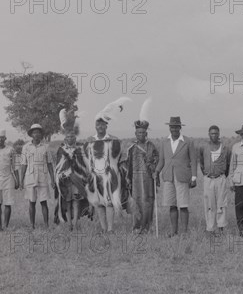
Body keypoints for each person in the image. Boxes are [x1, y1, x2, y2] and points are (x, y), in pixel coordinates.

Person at [83, 97, 130, 233]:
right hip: (95, 176)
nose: (100, 127)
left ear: (106, 126)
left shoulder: (114, 140)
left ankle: (110, 229)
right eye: (98, 125)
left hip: (109, 176)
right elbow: (87, 158)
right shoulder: (89, 141)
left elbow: (118, 156)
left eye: (103, 125)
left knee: (109, 202)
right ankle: (103, 228)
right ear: (95, 126)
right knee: (98, 203)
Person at [155, 116, 198, 237]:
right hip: (168, 177)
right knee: (172, 205)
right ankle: (174, 231)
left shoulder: (187, 141)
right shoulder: (164, 142)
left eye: (176, 126)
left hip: (182, 176)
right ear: (169, 127)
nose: (174, 129)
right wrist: (156, 171)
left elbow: (193, 160)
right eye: (171, 126)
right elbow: (161, 161)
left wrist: (194, 177)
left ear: (180, 127)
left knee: (183, 205)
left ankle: (184, 232)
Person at [126, 102, 158, 234]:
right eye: (138, 132)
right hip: (135, 179)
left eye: (143, 132)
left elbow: (157, 161)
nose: (141, 134)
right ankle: (136, 227)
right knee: (136, 203)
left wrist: (152, 166)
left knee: (148, 202)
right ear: (135, 133)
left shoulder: (151, 146)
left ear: (146, 133)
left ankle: (147, 227)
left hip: (148, 179)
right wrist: (128, 179)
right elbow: (127, 165)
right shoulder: (131, 148)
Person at [55, 109, 87, 231]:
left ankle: (75, 222)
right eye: (68, 136)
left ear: (75, 136)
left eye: (72, 136)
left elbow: (84, 164)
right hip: (65, 180)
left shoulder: (80, 148)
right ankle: (69, 223)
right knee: (67, 201)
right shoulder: (61, 149)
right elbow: (58, 166)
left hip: (77, 179)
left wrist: (83, 175)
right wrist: (61, 175)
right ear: (65, 137)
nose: (70, 138)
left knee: (77, 200)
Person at [21, 124, 56, 230]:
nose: (36, 134)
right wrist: (21, 180)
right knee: (31, 202)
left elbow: (50, 164)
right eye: (34, 132)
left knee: (43, 202)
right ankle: (32, 225)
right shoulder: (26, 147)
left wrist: (53, 179)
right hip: (30, 177)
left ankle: (46, 225)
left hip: (43, 177)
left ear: (41, 134)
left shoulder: (45, 147)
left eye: (38, 132)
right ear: (31, 134)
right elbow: (23, 164)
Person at [199, 125, 231, 235]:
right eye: (212, 133)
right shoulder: (203, 147)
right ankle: (210, 229)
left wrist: (222, 175)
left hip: (221, 178)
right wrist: (207, 174)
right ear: (208, 134)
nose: (214, 135)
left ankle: (221, 228)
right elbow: (201, 163)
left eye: (216, 133)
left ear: (219, 134)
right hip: (208, 179)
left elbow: (228, 163)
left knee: (221, 203)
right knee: (209, 204)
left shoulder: (225, 148)